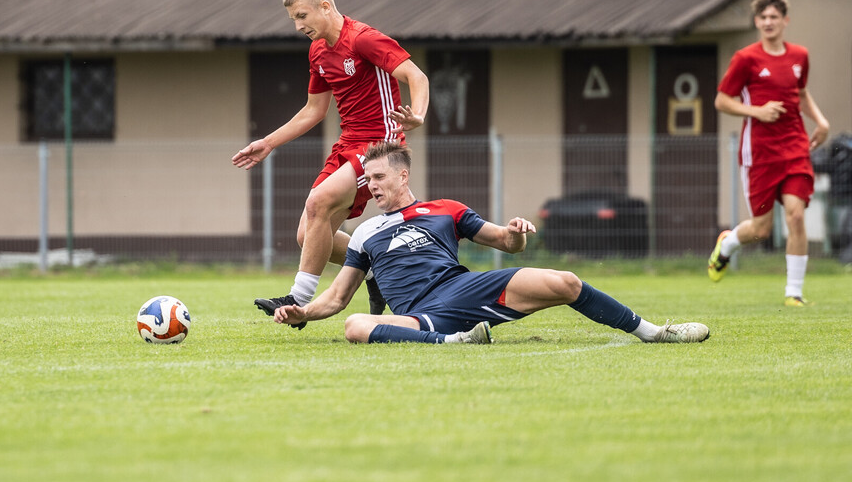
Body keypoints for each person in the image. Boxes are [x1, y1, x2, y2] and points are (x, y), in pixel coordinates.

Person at [272, 141, 709, 345]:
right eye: (367, 179)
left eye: (379, 178)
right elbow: (337, 297)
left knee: (566, 282)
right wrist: (301, 312)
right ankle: (456, 342)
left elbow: (504, 241)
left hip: (464, 287)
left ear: (403, 176)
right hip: (419, 315)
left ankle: (654, 333)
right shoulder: (364, 233)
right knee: (356, 329)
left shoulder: (446, 209)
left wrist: (516, 233)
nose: (371, 186)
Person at [233, 0, 429, 326]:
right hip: (348, 143)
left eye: (302, 15)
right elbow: (313, 110)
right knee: (306, 235)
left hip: (380, 145)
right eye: (294, 19)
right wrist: (268, 143)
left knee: (318, 202)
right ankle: (374, 275)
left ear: (325, 6)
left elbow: (417, 76)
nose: (298, 26)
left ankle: (298, 301)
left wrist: (418, 115)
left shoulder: (364, 39)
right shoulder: (318, 51)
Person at [707, 0, 829, 307]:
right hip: (759, 153)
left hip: (795, 148)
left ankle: (794, 293)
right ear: (757, 22)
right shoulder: (746, 59)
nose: (768, 22)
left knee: (796, 216)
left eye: (774, 16)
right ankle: (728, 243)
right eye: (763, 17)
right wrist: (757, 112)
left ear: (785, 21)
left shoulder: (799, 55)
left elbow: (801, 94)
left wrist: (821, 121)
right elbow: (721, 101)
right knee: (761, 229)